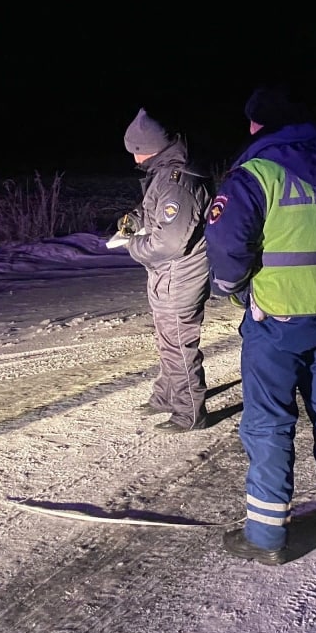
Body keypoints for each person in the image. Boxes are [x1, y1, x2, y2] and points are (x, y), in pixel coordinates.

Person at [204, 86, 316, 564]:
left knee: (269, 424)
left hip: (275, 320)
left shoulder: (254, 174)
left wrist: (240, 290)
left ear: (259, 126)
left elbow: (226, 246)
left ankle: (266, 537)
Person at [114, 108, 214, 432]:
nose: (135, 159)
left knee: (179, 346)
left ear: (148, 148)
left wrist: (134, 247)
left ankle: (190, 413)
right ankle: (166, 395)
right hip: (170, 276)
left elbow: (169, 241)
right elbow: (156, 213)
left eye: (136, 152)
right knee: (168, 341)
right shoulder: (166, 173)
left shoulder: (176, 181)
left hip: (180, 276)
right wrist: (134, 221)